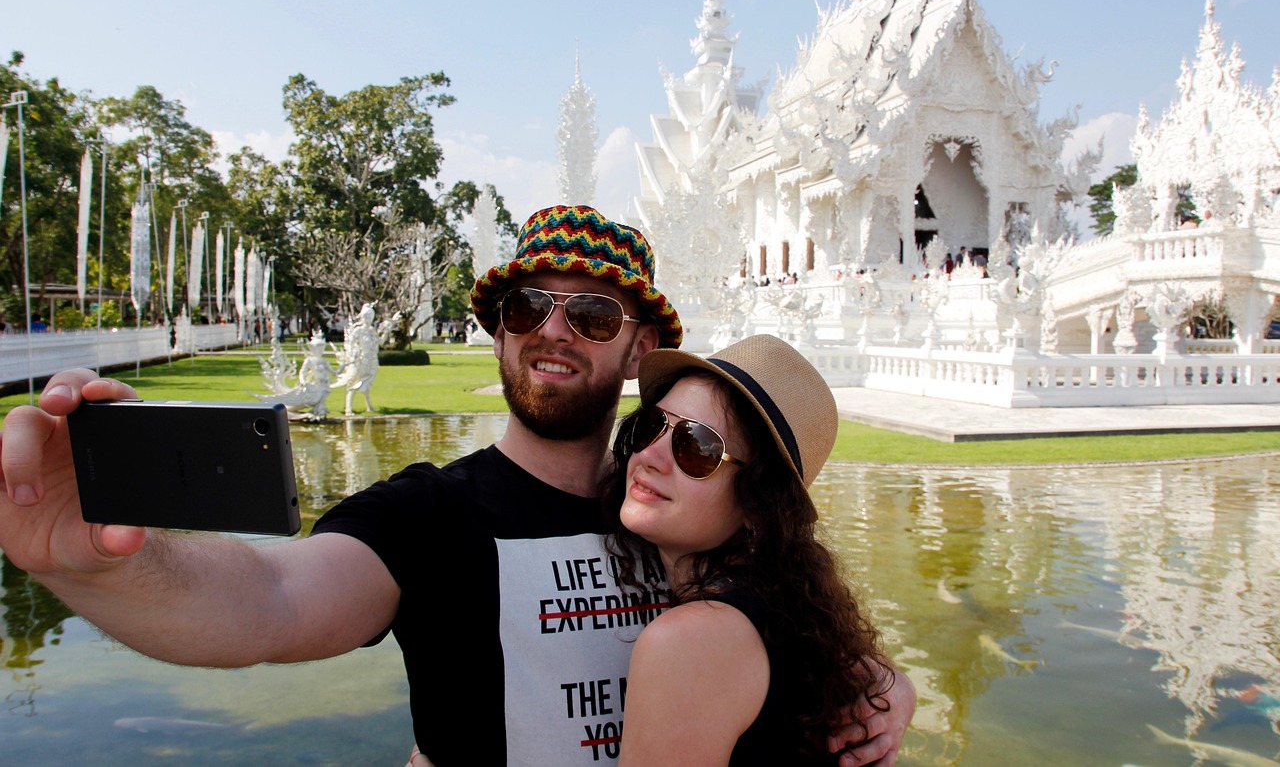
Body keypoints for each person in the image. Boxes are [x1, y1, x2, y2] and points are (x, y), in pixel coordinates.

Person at [0, 205, 913, 766]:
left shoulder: (674, 512)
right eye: (527, 306)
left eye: (592, 312)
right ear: (499, 330)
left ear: (638, 348)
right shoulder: (434, 515)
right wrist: (94, 568)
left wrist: (874, 681)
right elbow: (271, 598)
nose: (554, 330)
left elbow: (792, 608)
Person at [602, 335, 889, 764]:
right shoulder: (787, 614)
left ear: (759, 503)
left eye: (696, 447)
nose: (650, 455)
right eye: (652, 426)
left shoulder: (690, 643)